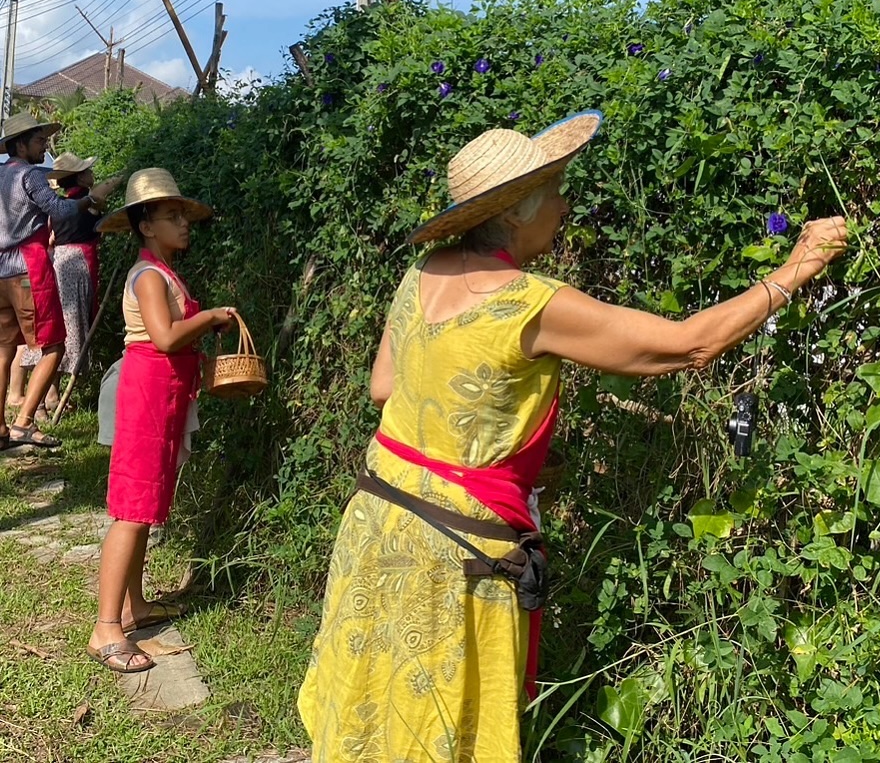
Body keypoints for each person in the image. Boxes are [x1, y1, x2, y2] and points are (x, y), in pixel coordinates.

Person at [297, 110, 849, 762]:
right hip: (453, 546)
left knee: (376, 712)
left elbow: (385, 386)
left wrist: (483, 426)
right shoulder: (530, 302)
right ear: (517, 210)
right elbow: (688, 344)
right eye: (556, 189)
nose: (565, 203)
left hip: (378, 514)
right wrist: (797, 265)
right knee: (437, 728)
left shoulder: (422, 272)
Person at [86, 168, 236, 673]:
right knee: (131, 508)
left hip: (164, 396)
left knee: (146, 504)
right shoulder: (149, 275)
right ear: (146, 225)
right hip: (147, 395)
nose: (183, 224)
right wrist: (211, 317)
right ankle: (106, 628)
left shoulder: (165, 272)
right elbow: (167, 338)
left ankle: (135, 604)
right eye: (172, 216)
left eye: (183, 215)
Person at [0, 112, 118, 450]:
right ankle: (24, 422)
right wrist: (89, 200)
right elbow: (60, 210)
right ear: (20, 145)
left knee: (4, 347)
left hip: (0, 273)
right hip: (28, 269)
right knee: (54, 345)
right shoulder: (30, 175)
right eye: (39, 142)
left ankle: (1, 427)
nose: (44, 148)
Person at [17, 152, 122, 417]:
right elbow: (107, 189)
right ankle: (43, 400)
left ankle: (49, 396)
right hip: (76, 265)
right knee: (70, 327)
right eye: (87, 170)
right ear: (80, 177)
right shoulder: (87, 203)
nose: (92, 174)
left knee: (57, 326)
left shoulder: (58, 206)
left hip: (59, 262)